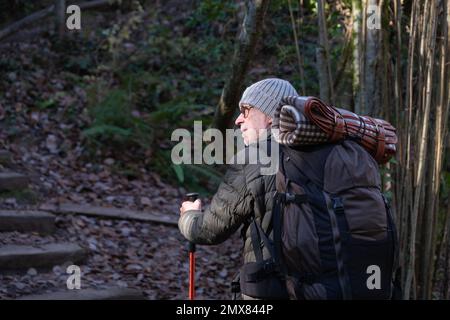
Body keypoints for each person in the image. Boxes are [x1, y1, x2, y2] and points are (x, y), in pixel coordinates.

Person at [178, 78, 298, 299]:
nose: (238, 120)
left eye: (246, 110)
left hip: (271, 288)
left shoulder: (254, 157)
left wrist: (189, 216)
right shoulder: (316, 155)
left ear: (271, 116)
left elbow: (210, 229)